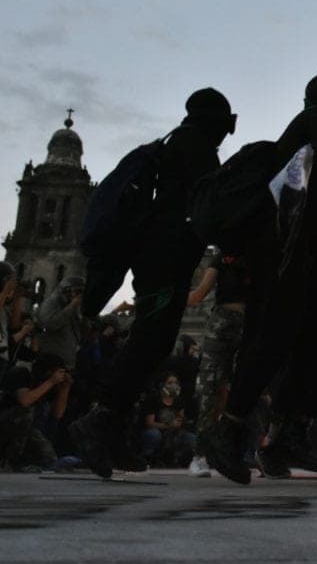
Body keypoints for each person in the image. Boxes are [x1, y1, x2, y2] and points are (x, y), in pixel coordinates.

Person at [71, 87, 236, 479]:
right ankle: (100, 419)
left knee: (154, 342)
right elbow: (209, 208)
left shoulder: (176, 143)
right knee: (150, 340)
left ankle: (113, 432)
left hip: (160, 260)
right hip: (165, 261)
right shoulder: (195, 147)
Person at [205, 72, 317, 484]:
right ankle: (229, 429)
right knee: (271, 339)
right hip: (285, 250)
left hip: (307, 252)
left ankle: (288, 433)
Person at [185, 253, 249, 478]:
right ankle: (200, 454)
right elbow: (198, 295)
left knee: (239, 390)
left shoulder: (259, 255)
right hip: (224, 324)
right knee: (212, 388)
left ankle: (225, 452)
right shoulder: (224, 259)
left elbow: (197, 295)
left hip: (243, 324)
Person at [0, 353, 72, 471]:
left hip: (29, 430)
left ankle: (37, 460)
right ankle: (13, 460)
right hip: (6, 424)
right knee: (25, 412)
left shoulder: (46, 383)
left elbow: (57, 414)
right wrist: (50, 382)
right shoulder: (21, 372)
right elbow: (25, 401)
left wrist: (65, 388)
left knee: (44, 422)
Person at [36, 276, 87, 372]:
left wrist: (84, 317)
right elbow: (49, 324)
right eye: (77, 291)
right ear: (65, 290)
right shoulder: (51, 303)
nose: (78, 295)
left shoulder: (73, 308)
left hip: (67, 364)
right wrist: (72, 305)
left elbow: (81, 335)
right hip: (50, 364)